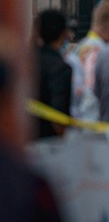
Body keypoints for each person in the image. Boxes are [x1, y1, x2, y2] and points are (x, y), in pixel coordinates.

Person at [34, 10, 72, 138]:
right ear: (63, 34)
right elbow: (59, 116)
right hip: (49, 142)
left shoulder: (27, 63)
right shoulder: (61, 68)